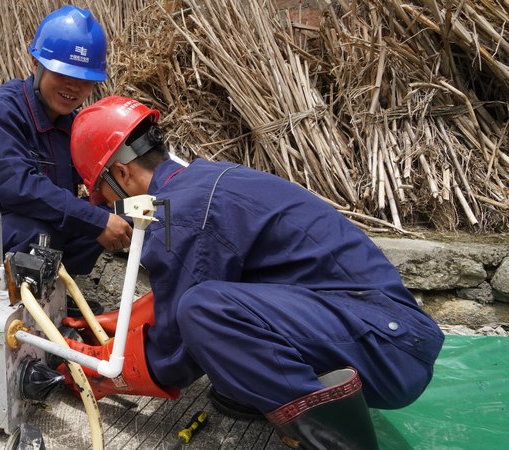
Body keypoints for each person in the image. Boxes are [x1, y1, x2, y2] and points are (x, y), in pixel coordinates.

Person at [59, 96, 445, 449]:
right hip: (376, 330)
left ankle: (337, 444)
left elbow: (175, 349)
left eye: (103, 192)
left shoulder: (183, 212)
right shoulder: (196, 187)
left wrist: (97, 368)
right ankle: (271, 397)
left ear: (122, 175)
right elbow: (182, 285)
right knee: (207, 316)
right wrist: (113, 323)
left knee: (204, 310)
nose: (110, 206)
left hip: (389, 348)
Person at [0, 6, 131, 276]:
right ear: (36, 64)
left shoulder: (75, 125)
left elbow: (101, 181)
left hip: (34, 224)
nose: (73, 88)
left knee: (111, 222)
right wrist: (96, 219)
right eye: (62, 74)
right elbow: (17, 187)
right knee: (44, 232)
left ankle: (52, 290)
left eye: (83, 79)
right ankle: (18, 298)